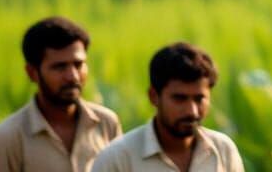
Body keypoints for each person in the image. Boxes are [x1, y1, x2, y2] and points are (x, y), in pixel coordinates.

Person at [92, 42, 242, 172]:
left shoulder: (222, 150)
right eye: (179, 99)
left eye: (199, 99)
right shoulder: (118, 158)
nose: (192, 111)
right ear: (153, 96)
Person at [0, 17, 120, 172]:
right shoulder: (9, 138)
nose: (73, 76)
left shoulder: (107, 124)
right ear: (32, 73)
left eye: (78, 65)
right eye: (59, 67)